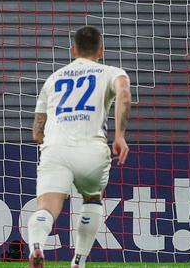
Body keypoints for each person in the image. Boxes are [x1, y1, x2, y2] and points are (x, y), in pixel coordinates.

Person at [28, 25, 132, 268]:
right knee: (92, 198)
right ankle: (78, 261)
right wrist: (119, 136)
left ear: (73, 49)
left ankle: (37, 246)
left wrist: (56, 144)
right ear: (101, 50)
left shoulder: (53, 79)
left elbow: (36, 132)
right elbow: (124, 94)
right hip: (91, 149)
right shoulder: (113, 72)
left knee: (46, 208)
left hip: (56, 149)